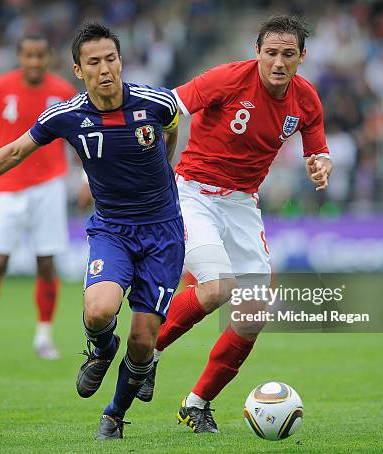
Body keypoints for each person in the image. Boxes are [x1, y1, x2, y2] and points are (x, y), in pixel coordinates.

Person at [0, 23, 184, 441]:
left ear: (121, 60)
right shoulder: (67, 115)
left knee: (143, 340)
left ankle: (115, 414)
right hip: (113, 229)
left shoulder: (155, 102)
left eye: (111, 59)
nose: (106, 69)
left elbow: (171, 130)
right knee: (99, 311)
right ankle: (102, 350)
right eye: (94, 62)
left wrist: (163, 169)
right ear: (78, 70)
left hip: (163, 232)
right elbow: (13, 150)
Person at [136, 15, 332, 433]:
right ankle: (146, 351)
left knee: (254, 310)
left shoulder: (306, 99)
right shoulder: (226, 79)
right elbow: (167, 106)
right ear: (257, 51)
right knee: (218, 287)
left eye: (288, 54)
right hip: (192, 194)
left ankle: (197, 403)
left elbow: (316, 145)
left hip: (243, 203)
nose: (279, 62)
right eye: (271, 53)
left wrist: (320, 163)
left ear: (301, 57)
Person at [0, 34, 77, 361]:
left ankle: (43, 337)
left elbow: (79, 138)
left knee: (47, 264)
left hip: (49, 187)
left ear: (49, 57)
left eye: (40, 56)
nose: (35, 62)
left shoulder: (63, 91)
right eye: (29, 56)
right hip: (7, 188)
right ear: (19, 57)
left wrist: (84, 179)